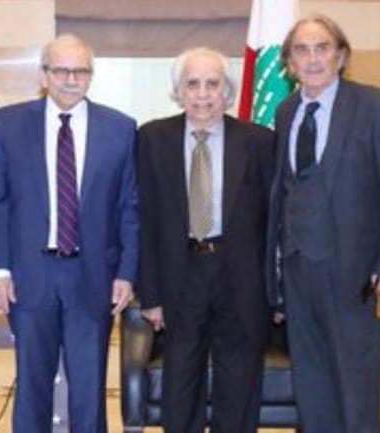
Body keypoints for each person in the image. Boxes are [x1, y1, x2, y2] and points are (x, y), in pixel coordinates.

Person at [266, 13, 380, 433]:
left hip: (355, 276)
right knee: (312, 391)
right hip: (297, 273)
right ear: (289, 63)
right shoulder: (286, 111)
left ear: (341, 56)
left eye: (322, 48)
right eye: (302, 50)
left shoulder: (375, 107)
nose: (313, 59)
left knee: (356, 394)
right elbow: (284, 193)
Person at [0, 34, 138, 433]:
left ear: (91, 75)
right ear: (44, 75)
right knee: (31, 388)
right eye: (62, 70)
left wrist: (126, 273)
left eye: (81, 71)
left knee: (89, 391)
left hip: (94, 277)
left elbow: (129, 208)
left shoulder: (121, 129)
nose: (72, 79)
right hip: (29, 276)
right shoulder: (8, 124)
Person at [138, 47, 274, 433]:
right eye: (192, 84)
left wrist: (273, 292)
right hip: (179, 274)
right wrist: (151, 296)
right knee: (180, 386)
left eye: (212, 84)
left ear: (227, 91)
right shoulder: (152, 139)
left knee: (240, 385)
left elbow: (274, 222)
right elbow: (144, 220)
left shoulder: (260, 141)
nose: (202, 94)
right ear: (178, 91)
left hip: (241, 277)